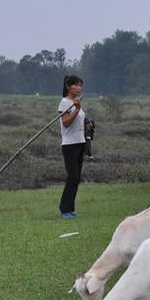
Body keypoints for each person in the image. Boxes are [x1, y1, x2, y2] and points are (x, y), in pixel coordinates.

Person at [58, 75, 86, 218]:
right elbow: (66, 122)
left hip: (80, 142)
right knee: (72, 177)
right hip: (70, 144)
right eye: (76, 85)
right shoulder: (65, 102)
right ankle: (64, 210)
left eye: (81, 85)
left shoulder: (76, 102)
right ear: (68, 86)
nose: (79, 88)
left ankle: (71, 209)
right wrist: (76, 109)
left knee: (77, 178)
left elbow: (79, 121)